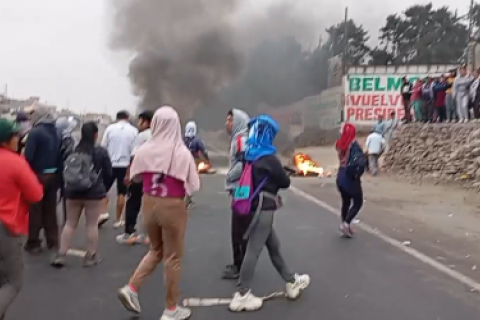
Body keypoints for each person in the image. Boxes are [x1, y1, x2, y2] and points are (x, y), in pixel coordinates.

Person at [117, 106, 200, 320]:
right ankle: (171, 309)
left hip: (148, 202)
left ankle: (132, 288)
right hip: (172, 204)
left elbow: (134, 177)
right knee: (173, 257)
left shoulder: (145, 148)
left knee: (156, 250)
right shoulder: (181, 152)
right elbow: (194, 185)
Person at [228, 115, 310, 312]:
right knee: (254, 250)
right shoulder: (268, 158)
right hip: (262, 209)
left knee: (273, 246)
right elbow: (285, 182)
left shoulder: (249, 154)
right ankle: (242, 294)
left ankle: (291, 281)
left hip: (249, 207)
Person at [51, 122, 113, 267]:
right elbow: (109, 173)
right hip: (93, 193)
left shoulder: (72, 150)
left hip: (72, 192)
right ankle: (90, 257)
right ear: (96, 135)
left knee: (70, 224)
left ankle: (61, 254)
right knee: (91, 225)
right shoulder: (100, 152)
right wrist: (103, 188)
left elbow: (63, 170)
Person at [0, 119, 43, 319]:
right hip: (6, 227)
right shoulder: (15, 162)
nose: (19, 139)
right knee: (13, 282)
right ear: (6, 140)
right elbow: (36, 194)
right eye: (16, 136)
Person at [23, 108, 62, 254]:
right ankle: (53, 241)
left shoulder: (35, 132)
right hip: (53, 175)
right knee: (50, 211)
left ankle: (34, 242)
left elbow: (28, 157)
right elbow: (60, 156)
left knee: (35, 210)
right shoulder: (57, 132)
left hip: (37, 176)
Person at [117, 111, 153, 245]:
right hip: (153, 175)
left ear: (146, 122)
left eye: (140, 121)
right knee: (150, 203)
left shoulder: (141, 136)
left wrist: (128, 174)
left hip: (139, 174)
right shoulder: (158, 136)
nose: (138, 124)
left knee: (133, 202)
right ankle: (150, 234)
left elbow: (134, 156)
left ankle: (129, 231)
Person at [222, 109, 250, 280]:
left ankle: (240, 265)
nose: (227, 123)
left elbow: (243, 164)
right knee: (239, 227)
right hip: (239, 188)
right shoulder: (238, 138)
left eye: (230, 120)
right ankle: (238, 262)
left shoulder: (241, 139)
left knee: (238, 227)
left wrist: (230, 175)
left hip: (241, 188)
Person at [101, 111, 138, 228]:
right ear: (128, 118)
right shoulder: (133, 131)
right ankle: (118, 220)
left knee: (103, 190)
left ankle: (103, 213)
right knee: (122, 192)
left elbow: (103, 147)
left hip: (109, 164)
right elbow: (135, 151)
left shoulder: (109, 129)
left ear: (117, 118)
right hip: (125, 165)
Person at [336, 123, 364, 237]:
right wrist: (357, 174)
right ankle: (346, 224)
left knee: (346, 202)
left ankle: (344, 224)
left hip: (340, 176)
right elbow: (360, 162)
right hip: (349, 177)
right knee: (358, 202)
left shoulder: (339, 144)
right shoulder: (354, 146)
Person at [183, 121, 210, 208]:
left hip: (183, 160)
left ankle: (186, 198)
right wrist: (207, 159)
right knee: (192, 181)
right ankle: (187, 199)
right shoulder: (197, 140)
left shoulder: (183, 139)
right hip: (194, 161)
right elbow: (204, 150)